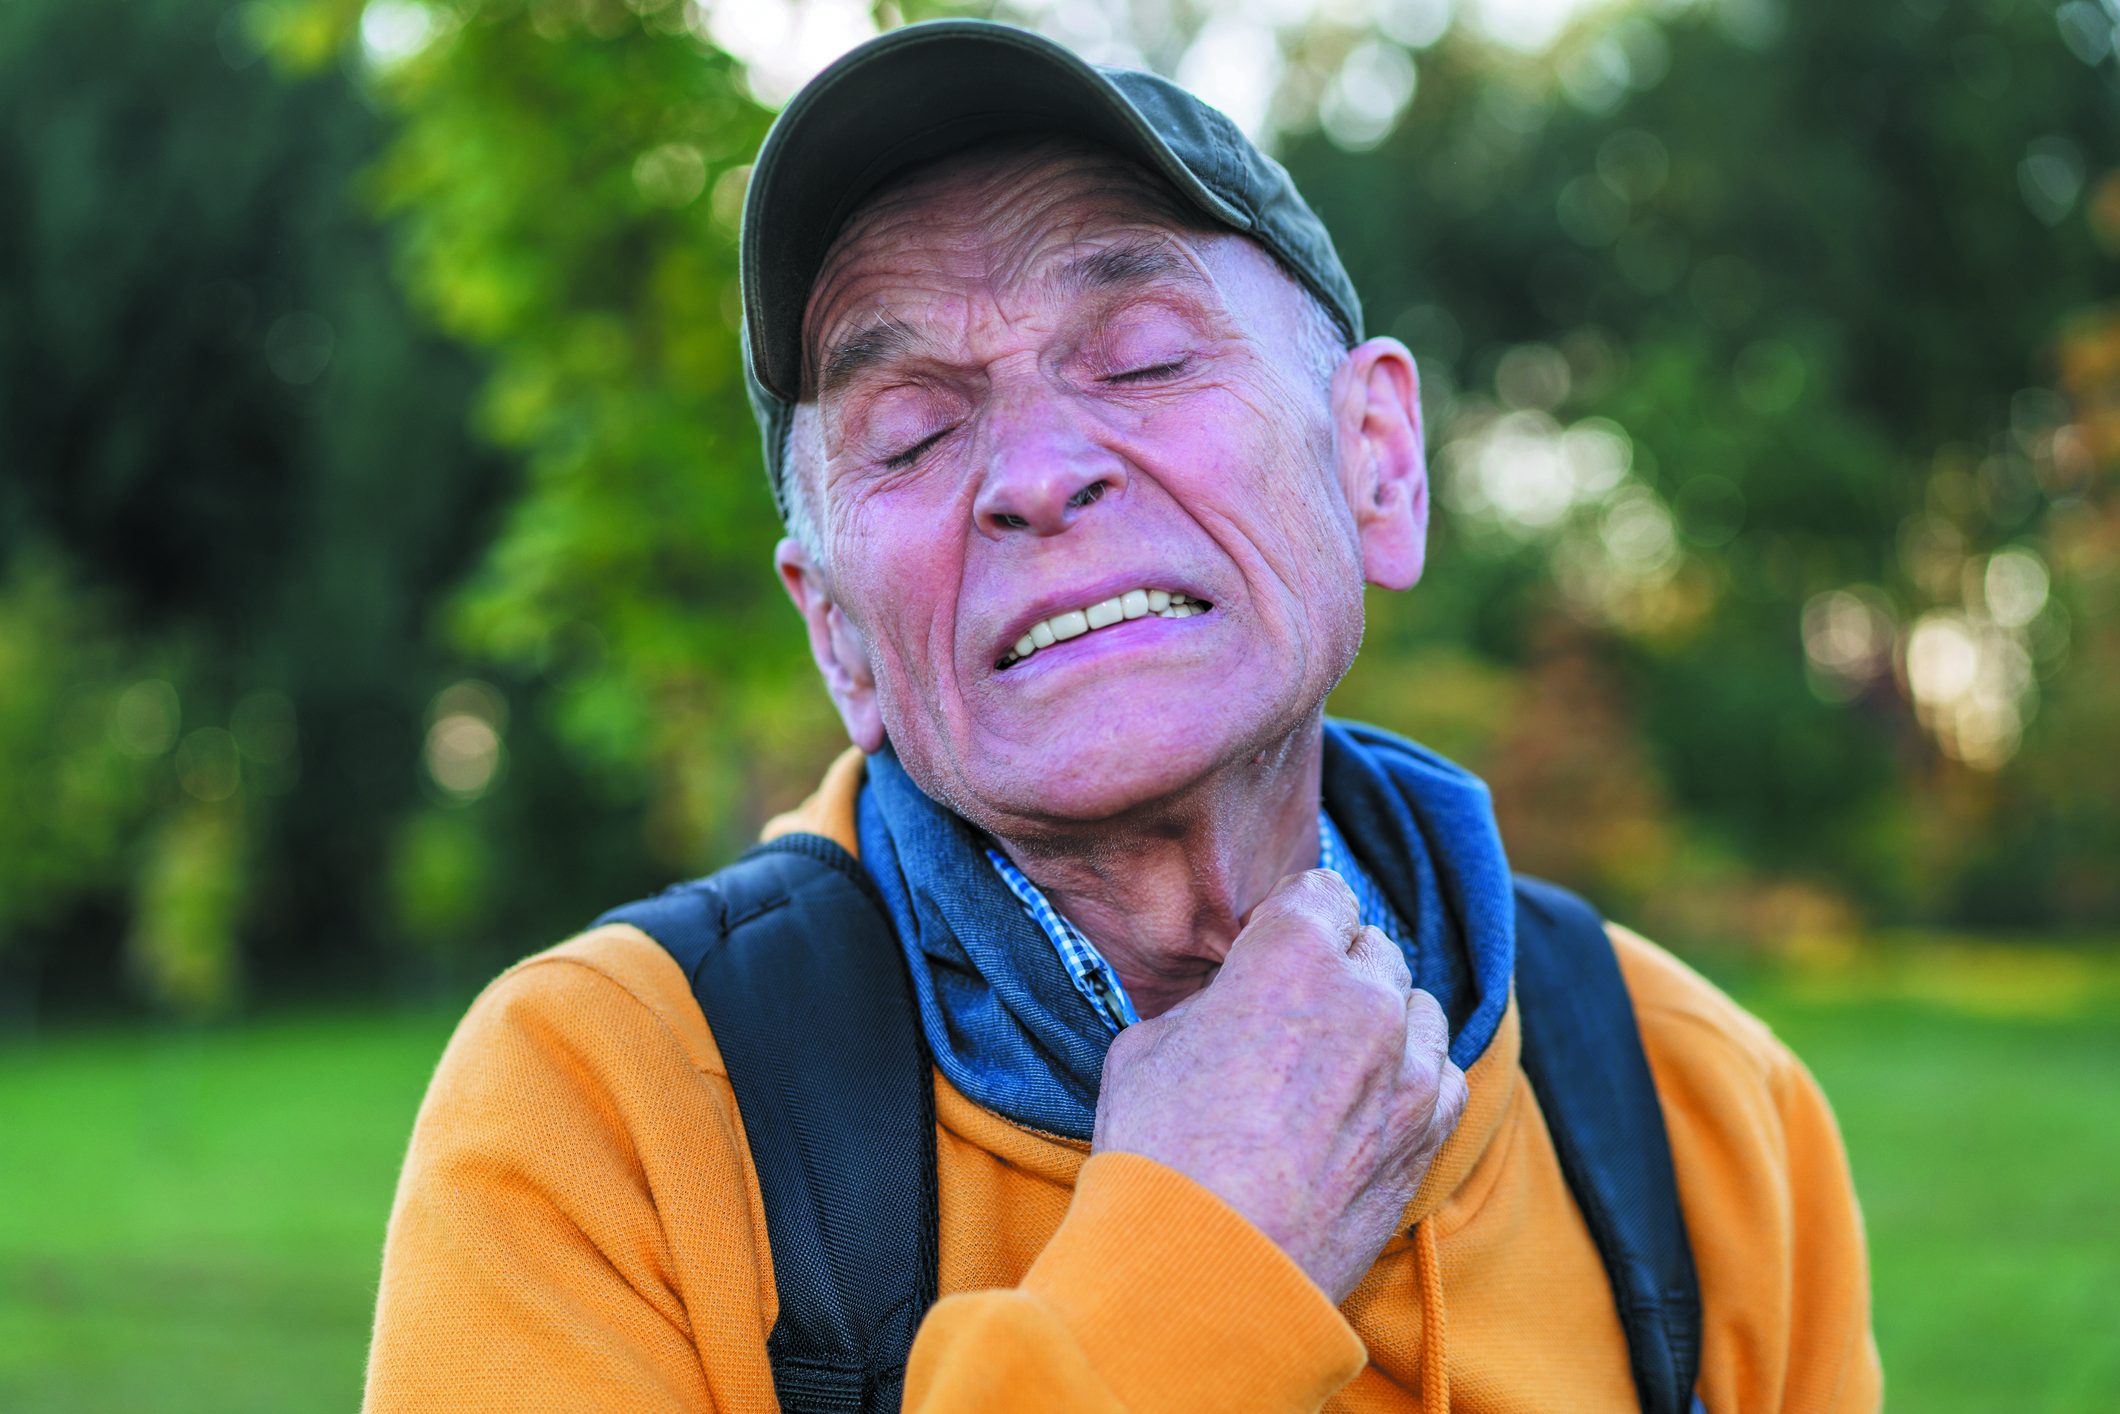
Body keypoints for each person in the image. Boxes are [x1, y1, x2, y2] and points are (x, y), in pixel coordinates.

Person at [363, 20, 1879, 1413]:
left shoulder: (1702, 1111)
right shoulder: (602, 1109)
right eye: (914, 429)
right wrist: (1206, 1258)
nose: (1033, 469)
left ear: (1378, 465)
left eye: (1146, 359)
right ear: (843, 640)